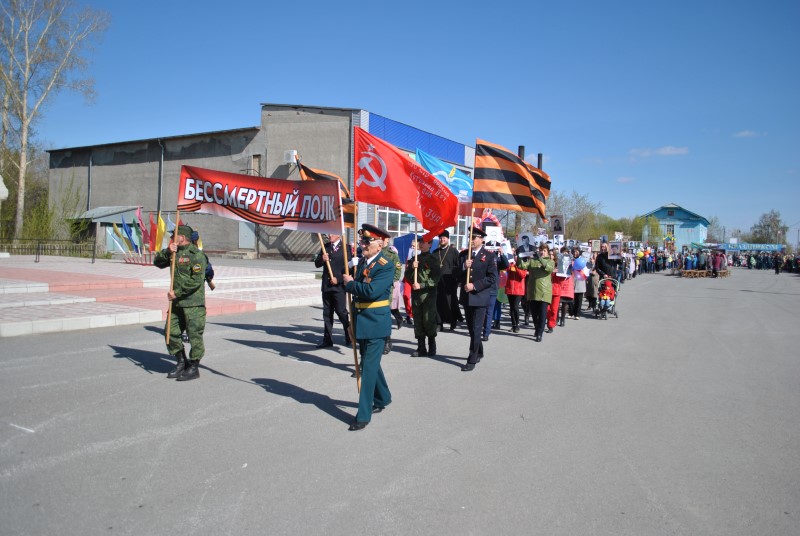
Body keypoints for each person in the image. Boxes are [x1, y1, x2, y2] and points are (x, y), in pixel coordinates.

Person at [342, 223, 395, 431]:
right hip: (361, 321)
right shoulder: (364, 262)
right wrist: (351, 324)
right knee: (369, 362)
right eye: (362, 241)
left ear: (380, 244)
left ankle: (363, 415)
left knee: (368, 368)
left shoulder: (386, 265)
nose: (363, 245)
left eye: (367, 241)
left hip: (376, 324)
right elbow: (357, 299)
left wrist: (350, 284)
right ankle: (383, 397)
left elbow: (371, 291)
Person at [153, 225, 207, 381]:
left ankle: (194, 366)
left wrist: (177, 292)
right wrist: (168, 251)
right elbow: (157, 262)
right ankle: (181, 362)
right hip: (176, 304)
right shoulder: (174, 253)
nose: (171, 238)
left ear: (182, 237)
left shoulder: (197, 255)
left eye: (174, 235)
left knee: (194, 336)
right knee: (170, 332)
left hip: (192, 304)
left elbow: (196, 280)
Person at [455, 227, 498, 372]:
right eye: (470, 237)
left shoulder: (489, 256)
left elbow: (492, 278)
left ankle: (472, 358)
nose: (471, 240)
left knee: (476, 328)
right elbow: (456, 275)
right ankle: (479, 351)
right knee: (471, 328)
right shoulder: (464, 255)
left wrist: (475, 285)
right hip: (467, 297)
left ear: (482, 240)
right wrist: (463, 267)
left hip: (480, 297)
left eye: (474, 238)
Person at [313, 234, 352, 348]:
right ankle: (327, 340)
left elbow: (349, 268)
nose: (330, 235)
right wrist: (322, 259)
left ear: (339, 235)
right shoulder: (325, 246)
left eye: (332, 233)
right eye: (329, 233)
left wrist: (338, 279)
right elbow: (317, 264)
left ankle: (349, 335)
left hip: (339, 287)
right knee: (327, 313)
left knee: (341, 312)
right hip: (327, 286)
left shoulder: (346, 248)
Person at [404, 236, 441, 357]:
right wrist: (411, 268)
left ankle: (432, 346)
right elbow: (407, 276)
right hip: (416, 295)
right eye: (420, 242)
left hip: (428, 295)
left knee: (428, 320)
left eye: (424, 242)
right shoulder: (415, 259)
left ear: (430, 244)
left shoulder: (433, 259)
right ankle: (421, 347)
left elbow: (436, 279)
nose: (421, 244)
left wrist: (422, 285)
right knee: (418, 320)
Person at [518, 243, 554, 342]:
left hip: (544, 292)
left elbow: (549, 268)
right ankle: (537, 328)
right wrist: (519, 256)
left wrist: (540, 258)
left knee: (542, 313)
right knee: (534, 314)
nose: (542, 252)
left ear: (547, 252)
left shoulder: (550, 261)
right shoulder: (532, 261)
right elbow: (522, 266)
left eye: (544, 251)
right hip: (533, 291)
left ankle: (539, 333)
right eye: (541, 250)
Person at [435, 229, 461, 331]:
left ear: (448, 239)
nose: (442, 239)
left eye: (444, 238)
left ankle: (453, 321)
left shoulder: (453, 251)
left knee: (450, 303)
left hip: (450, 282)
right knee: (438, 303)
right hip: (438, 283)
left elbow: (458, 266)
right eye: (440, 238)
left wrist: (455, 278)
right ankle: (439, 323)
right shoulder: (435, 252)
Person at [381, 237, 403, 354]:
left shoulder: (392, 255)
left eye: (382, 238)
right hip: (374, 289)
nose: (380, 241)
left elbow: (398, 271)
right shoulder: (374, 252)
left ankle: (387, 341)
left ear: (387, 240)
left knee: (385, 315)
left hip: (387, 290)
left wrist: (390, 282)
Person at [515, 234, 536, 326]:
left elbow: (536, 261)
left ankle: (527, 315)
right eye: (523, 240)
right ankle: (526, 312)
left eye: (526, 240)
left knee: (528, 298)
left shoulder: (532, 248)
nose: (525, 242)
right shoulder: (520, 249)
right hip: (522, 276)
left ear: (528, 240)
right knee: (523, 300)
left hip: (530, 277)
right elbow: (518, 262)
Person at [505, 257, 527, 333]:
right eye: (515, 257)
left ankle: (517, 325)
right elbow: (506, 270)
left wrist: (516, 267)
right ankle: (513, 325)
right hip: (510, 288)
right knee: (511, 308)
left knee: (515, 306)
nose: (516, 258)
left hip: (518, 289)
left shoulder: (523, 265)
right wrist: (510, 266)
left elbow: (523, 275)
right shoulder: (511, 263)